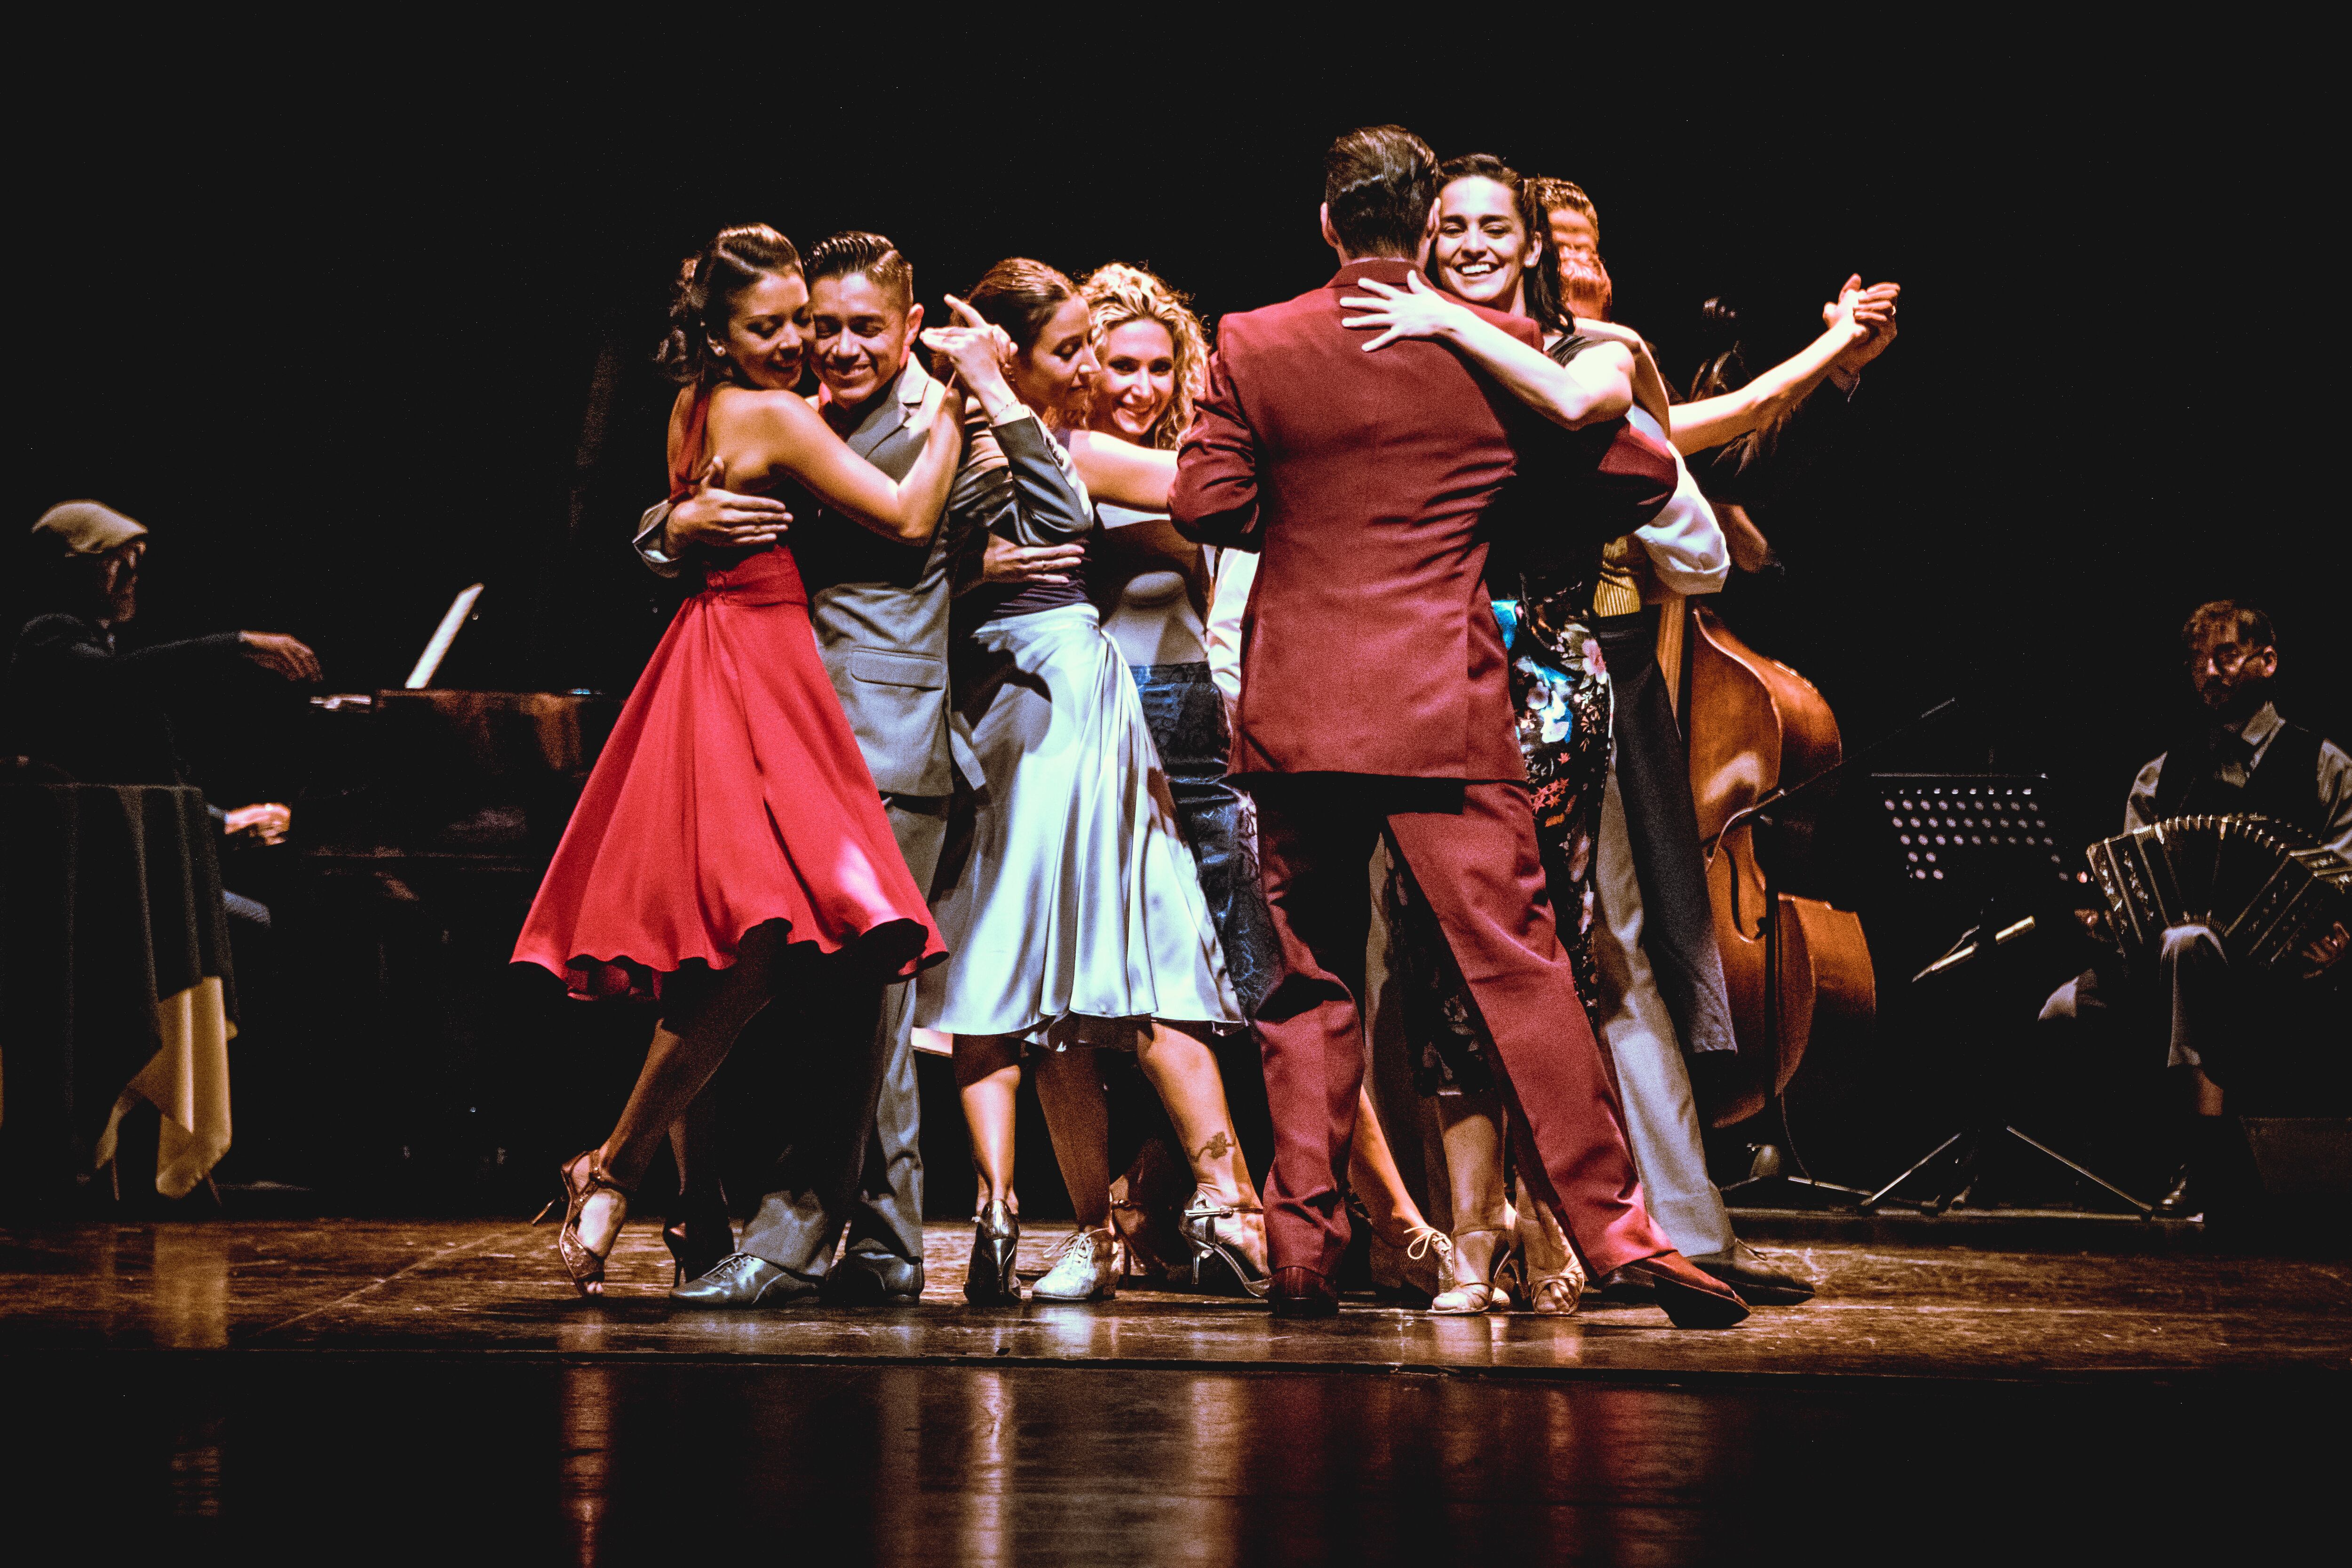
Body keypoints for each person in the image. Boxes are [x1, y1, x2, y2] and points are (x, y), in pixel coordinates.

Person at [1170, 125, 1748, 1328]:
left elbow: (1207, 503)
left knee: (1307, 986)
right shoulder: (1498, 354)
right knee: (1525, 970)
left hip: (1300, 710)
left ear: (1326, 224)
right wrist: (1502, 489)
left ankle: (1303, 1255)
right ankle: (1619, 1237)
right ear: (1427, 227)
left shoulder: (1254, 342)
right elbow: (1642, 478)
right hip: (1445, 705)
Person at [624, 231, 1091, 1307]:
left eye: (858, 328)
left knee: (853, 1014)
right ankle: (880, 1248)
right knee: (848, 1016)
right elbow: (675, 519)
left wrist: (993, 395)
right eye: (817, 326)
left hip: (885, 746)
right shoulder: (787, 412)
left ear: (910, 320)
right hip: (772, 737)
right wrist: (671, 526)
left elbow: (1061, 520)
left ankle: (794, 1233)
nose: (832, 347)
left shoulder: (943, 421)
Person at [514, 223, 963, 1298]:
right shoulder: (772, 410)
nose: (799, 343)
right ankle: (664, 1187)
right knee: (748, 958)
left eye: (806, 325)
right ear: (716, 332)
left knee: (737, 957)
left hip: (733, 675)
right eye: (772, 327)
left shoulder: (704, 406)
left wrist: (679, 518)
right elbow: (904, 517)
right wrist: (950, 417)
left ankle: (675, 1192)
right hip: (759, 688)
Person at [915, 259, 1254, 1305]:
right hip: (1014, 708)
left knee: (1155, 962)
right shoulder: (984, 438)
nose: (1124, 380)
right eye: (1101, 359)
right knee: (1059, 988)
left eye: (1154, 365)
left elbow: (1225, 502)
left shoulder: (1076, 449)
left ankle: (1229, 1198)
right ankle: (1104, 1223)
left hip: (1127, 718)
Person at [2042, 600, 2350, 1215]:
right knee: (2060, 1009)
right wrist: (2109, 918)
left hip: (2277, 968)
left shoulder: (2323, 763)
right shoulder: (2162, 773)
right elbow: (2125, 885)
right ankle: (2102, 1165)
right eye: (2197, 661)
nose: (2209, 672)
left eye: (2226, 655)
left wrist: (2341, 937)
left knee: (2190, 946)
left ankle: (2203, 1161)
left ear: (2268, 662)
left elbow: (2348, 867)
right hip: (2161, 961)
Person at [8, 501, 319, 940]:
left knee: (272, 922)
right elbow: (115, 681)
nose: (133, 578)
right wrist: (236, 643)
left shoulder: (95, 646)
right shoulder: (47, 636)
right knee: (269, 931)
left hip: (128, 870)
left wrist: (223, 820)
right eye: (120, 565)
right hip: (88, 881)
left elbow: (131, 777)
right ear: (70, 572)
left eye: (136, 563)